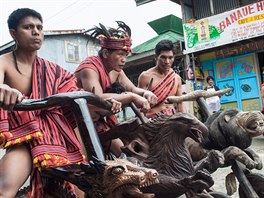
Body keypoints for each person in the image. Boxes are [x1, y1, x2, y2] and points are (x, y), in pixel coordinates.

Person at [0, 8, 121, 198]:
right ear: (13, 33)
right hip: (26, 138)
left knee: (82, 190)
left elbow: (77, 97)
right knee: (4, 189)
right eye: (28, 27)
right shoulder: (4, 62)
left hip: (59, 139)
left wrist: (107, 104)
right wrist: (3, 89)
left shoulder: (55, 70)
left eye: (39, 27)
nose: (36, 32)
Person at [74, 21, 157, 157]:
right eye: (120, 54)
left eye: (126, 55)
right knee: (83, 164)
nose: (124, 60)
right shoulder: (89, 68)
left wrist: (145, 93)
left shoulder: (116, 70)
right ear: (106, 53)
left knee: (127, 155)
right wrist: (131, 97)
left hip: (99, 120)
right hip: (76, 121)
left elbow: (133, 88)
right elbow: (97, 99)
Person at [137, 39, 184, 119]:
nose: (167, 61)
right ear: (156, 57)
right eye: (163, 57)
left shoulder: (176, 78)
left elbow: (180, 103)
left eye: (170, 58)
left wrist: (184, 121)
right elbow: (138, 104)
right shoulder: (145, 76)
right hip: (152, 121)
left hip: (172, 119)